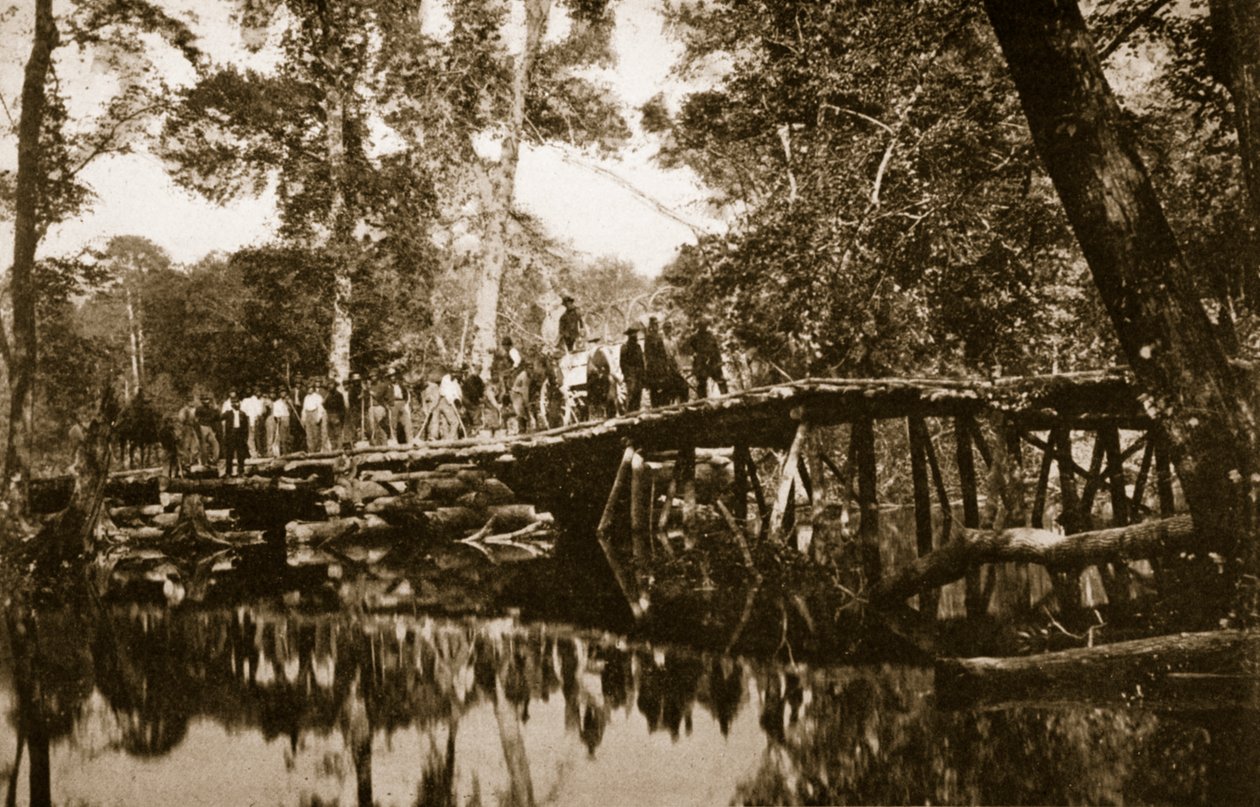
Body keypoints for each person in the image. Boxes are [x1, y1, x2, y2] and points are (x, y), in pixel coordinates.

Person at [686, 319, 728, 397]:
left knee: (721, 380)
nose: (703, 327)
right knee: (701, 383)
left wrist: (719, 361)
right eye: (701, 326)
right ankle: (703, 402)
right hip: (701, 363)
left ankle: (726, 398)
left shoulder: (711, 336)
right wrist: (694, 355)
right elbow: (686, 348)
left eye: (704, 326)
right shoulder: (694, 337)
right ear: (698, 327)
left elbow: (716, 349)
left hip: (713, 361)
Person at [221, 393, 250, 476]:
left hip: (240, 435)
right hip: (231, 435)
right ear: (232, 404)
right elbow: (218, 418)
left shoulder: (242, 414)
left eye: (237, 402)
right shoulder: (228, 413)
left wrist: (245, 438)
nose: (236, 404)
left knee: (241, 455)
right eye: (234, 402)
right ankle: (228, 472)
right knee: (229, 454)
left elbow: (245, 427)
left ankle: (241, 472)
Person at [619, 325, 645, 412]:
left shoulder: (638, 347)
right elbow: (622, 364)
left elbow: (641, 362)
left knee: (638, 394)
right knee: (631, 395)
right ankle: (629, 413)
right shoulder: (625, 347)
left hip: (638, 375)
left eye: (636, 335)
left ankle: (636, 413)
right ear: (629, 336)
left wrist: (642, 374)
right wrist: (628, 375)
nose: (635, 337)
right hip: (630, 375)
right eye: (633, 335)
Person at [585, 338, 612, 420]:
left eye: (591, 343)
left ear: (594, 344)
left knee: (602, 398)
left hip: (600, 380)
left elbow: (606, 366)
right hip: (592, 381)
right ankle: (595, 417)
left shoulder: (600, 353)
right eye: (589, 343)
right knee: (593, 399)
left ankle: (603, 416)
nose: (589, 345)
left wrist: (602, 374)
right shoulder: (590, 355)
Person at [387, 369, 412, 445]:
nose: (393, 377)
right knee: (393, 423)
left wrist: (406, 402)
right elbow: (384, 397)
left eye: (394, 375)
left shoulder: (401, 384)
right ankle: (394, 440)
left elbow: (406, 394)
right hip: (393, 403)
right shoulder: (387, 386)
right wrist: (388, 404)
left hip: (402, 402)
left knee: (406, 421)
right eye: (391, 376)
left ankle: (410, 440)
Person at [195, 394, 221, 465]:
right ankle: (204, 462)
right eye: (205, 400)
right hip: (202, 427)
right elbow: (196, 420)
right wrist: (198, 430)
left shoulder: (211, 409)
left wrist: (216, 410)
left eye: (207, 399)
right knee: (203, 445)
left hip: (210, 427)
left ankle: (214, 460)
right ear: (202, 401)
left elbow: (217, 418)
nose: (207, 401)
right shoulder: (199, 409)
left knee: (215, 444)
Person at [301, 381, 325, 453]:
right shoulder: (306, 398)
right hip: (308, 415)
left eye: (311, 388)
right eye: (308, 388)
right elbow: (304, 409)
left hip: (315, 413)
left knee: (316, 434)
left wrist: (318, 417)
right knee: (309, 435)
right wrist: (303, 418)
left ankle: (317, 451)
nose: (309, 390)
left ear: (313, 389)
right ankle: (311, 451)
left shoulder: (317, 397)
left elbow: (321, 408)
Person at [324, 377, 347, 451]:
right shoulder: (328, 395)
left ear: (335, 385)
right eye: (329, 384)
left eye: (331, 384)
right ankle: (334, 449)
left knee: (338, 434)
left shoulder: (339, 395)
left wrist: (340, 419)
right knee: (330, 434)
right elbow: (325, 406)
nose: (330, 386)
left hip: (336, 415)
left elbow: (342, 408)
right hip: (329, 415)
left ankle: (339, 450)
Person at [240, 389, 264, 458]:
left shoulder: (258, 401)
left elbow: (259, 412)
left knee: (254, 437)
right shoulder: (249, 401)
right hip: (251, 419)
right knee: (252, 437)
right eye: (257, 392)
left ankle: (256, 452)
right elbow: (250, 413)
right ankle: (254, 452)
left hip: (255, 420)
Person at [268, 387, 291, 457]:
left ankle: (288, 453)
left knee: (288, 438)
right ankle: (283, 454)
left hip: (288, 419)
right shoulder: (277, 403)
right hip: (281, 420)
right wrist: (279, 420)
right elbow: (276, 414)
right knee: (282, 439)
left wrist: (288, 403)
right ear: (280, 394)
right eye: (281, 392)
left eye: (284, 392)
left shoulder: (288, 402)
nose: (283, 393)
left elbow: (291, 411)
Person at [510, 362, 532, 434]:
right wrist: (527, 403)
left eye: (532, 368)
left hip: (521, 393)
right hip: (516, 393)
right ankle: (521, 430)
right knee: (521, 412)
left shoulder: (530, 375)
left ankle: (526, 429)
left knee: (525, 411)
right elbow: (525, 391)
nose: (531, 369)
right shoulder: (524, 376)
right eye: (529, 368)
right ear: (526, 368)